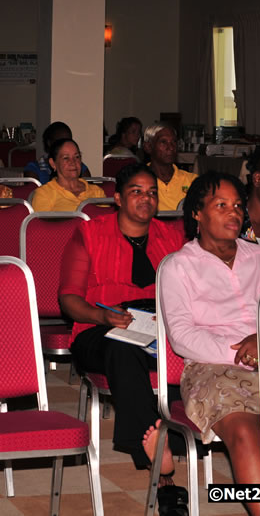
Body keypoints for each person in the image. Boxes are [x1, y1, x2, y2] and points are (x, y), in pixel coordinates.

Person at [159, 172, 260, 516]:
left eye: (238, 206)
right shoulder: (178, 267)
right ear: (196, 214)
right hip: (211, 368)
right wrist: (240, 350)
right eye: (221, 205)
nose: (234, 213)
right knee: (245, 432)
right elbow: (182, 336)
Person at [60, 164, 184, 479]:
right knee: (121, 346)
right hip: (99, 326)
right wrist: (101, 315)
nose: (147, 199)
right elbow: (69, 298)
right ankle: (159, 462)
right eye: (136, 192)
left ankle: (176, 438)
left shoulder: (170, 238)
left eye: (152, 193)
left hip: (156, 322)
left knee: (190, 346)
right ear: (117, 198)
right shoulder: (89, 234)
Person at [31, 138, 105, 211]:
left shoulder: (97, 192)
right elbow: (39, 222)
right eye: (66, 158)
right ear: (53, 163)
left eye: (77, 157)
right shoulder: (44, 194)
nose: (73, 162)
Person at [144, 123, 197, 211]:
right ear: (148, 147)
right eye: (163, 142)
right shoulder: (138, 180)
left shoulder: (191, 180)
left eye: (174, 142)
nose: (171, 147)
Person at [24, 121, 91, 183]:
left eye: (68, 141)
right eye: (60, 142)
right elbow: (33, 193)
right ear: (49, 143)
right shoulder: (34, 168)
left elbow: (89, 189)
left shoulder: (79, 167)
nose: (65, 145)